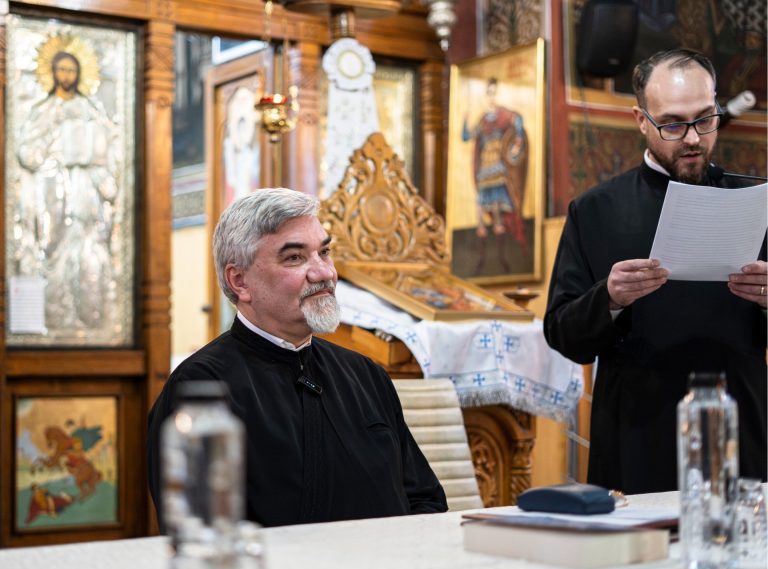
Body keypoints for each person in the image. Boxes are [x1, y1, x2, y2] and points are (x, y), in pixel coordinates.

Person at [147, 188, 447, 528]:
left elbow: (426, 499)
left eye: (324, 252)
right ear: (240, 281)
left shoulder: (365, 374)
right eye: (294, 258)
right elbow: (203, 534)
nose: (324, 273)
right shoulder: (201, 387)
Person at [544, 49, 767, 494]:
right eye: (673, 124)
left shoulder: (755, 201)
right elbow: (562, 334)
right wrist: (609, 297)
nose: (693, 138)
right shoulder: (595, 210)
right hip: (637, 436)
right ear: (641, 120)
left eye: (705, 119)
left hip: (743, 432)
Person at [16, 50, 119, 330]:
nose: (66, 76)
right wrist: (53, 148)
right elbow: (28, 153)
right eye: (61, 69)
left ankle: (88, 314)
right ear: (52, 73)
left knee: (89, 246)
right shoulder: (45, 110)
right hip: (54, 187)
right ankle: (52, 315)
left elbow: (110, 144)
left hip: (87, 189)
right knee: (51, 245)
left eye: (71, 70)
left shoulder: (91, 110)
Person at [462, 77, 529, 273]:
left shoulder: (504, 114)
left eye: (493, 92)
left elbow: (518, 119)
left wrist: (517, 140)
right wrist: (465, 118)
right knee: (481, 213)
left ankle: (502, 260)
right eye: (488, 93)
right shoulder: (483, 120)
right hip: (485, 168)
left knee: (498, 213)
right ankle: (481, 260)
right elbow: (466, 137)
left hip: (498, 167)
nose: (491, 96)